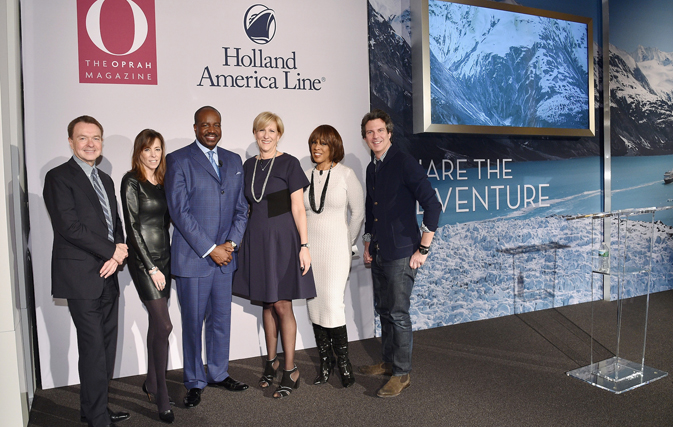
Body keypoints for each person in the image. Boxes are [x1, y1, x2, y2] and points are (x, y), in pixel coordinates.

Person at [43, 115, 130, 427]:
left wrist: (118, 254)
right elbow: (69, 228)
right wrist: (111, 251)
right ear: (70, 141)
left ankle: (95, 409)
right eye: (83, 138)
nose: (91, 144)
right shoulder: (58, 177)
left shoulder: (105, 178)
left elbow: (114, 224)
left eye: (96, 138)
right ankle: (96, 418)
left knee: (105, 350)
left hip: (109, 274)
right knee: (93, 350)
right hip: (80, 278)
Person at [164, 106, 249, 409]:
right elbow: (179, 212)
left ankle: (218, 372)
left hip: (226, 258)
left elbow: (242, 209)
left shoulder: (234, 160)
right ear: (195, 127)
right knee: (193, 322)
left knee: (221, 321)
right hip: (194, 259)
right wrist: (210, 248)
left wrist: (230, 244)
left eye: (216, 125)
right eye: (205, 125)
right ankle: (194, 381)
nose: (211, 130)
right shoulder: (178, 160)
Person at [233, 111, 317, 399]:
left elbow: (298, 209)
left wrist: (304, 246)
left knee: (282, 304)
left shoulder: (290, 163)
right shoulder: (247, 166)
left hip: (283, 241)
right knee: (266, 305)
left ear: (279, 134)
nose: (265, 136)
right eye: (260, 131)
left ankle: (290, 369)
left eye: (271, 131)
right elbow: (243, 207)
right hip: (255, 240)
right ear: (255, 134)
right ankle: (271, 362)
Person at [359, 109, 441, 398]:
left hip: (403, 253)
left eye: (380, 130)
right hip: (380, 251)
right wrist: (368, 242)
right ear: (365, 137)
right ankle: (388, 362)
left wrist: (424, 248)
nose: (375, 136)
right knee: (384, 312)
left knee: (398, 314)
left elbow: (433, 205)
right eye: (370, 132)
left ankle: (402, 374)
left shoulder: (404, 162)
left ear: (389, 133)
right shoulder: (373, 168)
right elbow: (372, 211)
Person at [303, 125, 364, 388]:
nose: (317, 147)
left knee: (332, 306)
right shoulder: (304, 175)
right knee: (314, 306)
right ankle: (325, 363)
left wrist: (347, 243)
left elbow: (358, 213)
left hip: (337, 251)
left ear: (333, 146)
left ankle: (344, 363)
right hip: (309, 253)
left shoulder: (346, 174)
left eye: (323, 143)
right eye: (314, 142)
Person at [120, 129, 174, 424]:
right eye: (148, 149)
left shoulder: (162, 182)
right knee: (165, 324)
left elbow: (165, 224)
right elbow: (133, 228)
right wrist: (151, 267)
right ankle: (162, 396)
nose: (153, 155)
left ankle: (151, 383)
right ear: (138, 151)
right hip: (144, 262)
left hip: (165, 259)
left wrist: (163, 263)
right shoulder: (131, 181)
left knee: (157, 324)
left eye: (158, 149)